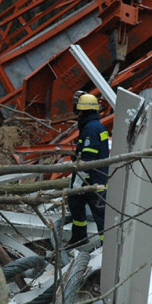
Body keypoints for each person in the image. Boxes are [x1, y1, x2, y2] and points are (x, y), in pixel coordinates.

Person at [67, 92, 109, 246]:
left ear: (84, 111)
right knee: (77, 205)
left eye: (79, 111)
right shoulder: (97, 126)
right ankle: (79, 238)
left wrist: (78, 183)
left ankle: (105, 247)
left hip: (91, 180)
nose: (77, 114)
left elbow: (87, 160)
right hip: (98, 177)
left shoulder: (90, 129)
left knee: (98, 212)